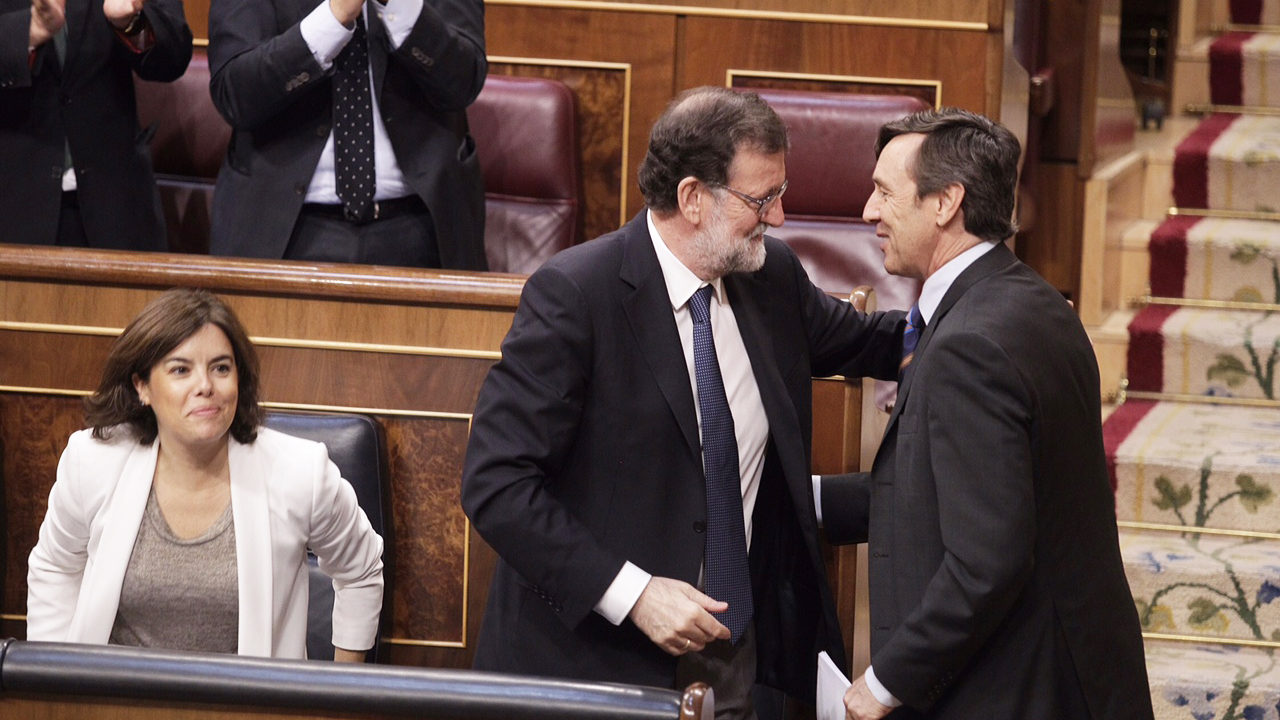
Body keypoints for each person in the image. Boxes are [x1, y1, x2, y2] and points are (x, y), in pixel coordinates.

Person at [461, 86, 905, 719]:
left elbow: (873, 342)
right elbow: (495, 484)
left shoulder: (769, 279)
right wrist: (634, 594)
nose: (779, 218)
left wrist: (985, 310)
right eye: (762, 199)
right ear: (693, 198)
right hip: (591, 668)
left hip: (734, 662)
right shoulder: (576, 297)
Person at [818, 109, 1154, 719]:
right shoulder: (1032, 300)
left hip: (1023, 691)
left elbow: (987, 561)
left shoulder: (968, 346)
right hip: (1077, 673)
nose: (868, 212)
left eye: (884, 193)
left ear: (946, 201)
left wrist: (885, 682)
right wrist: (803, 501)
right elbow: (942, 491)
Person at [27, 288, 384, 660]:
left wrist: (337, 698)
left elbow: (361, 571)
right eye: (181, 369)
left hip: (246, 705)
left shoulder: (299, 471)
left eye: (221, 368)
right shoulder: (93, 460)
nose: (205, 386)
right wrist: (52, 691)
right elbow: (55, 567)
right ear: (142, 386)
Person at [207, 0, 487, 270]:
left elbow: (464, 81)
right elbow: (235, 94)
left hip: (421, 224)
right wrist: (335, 17)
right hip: (282, 226)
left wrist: (397, 6)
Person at [0, 0, 192, 249]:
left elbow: (172, 59)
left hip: (117, 212)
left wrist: (130, 25)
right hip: (12, 208)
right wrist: (29, 32)